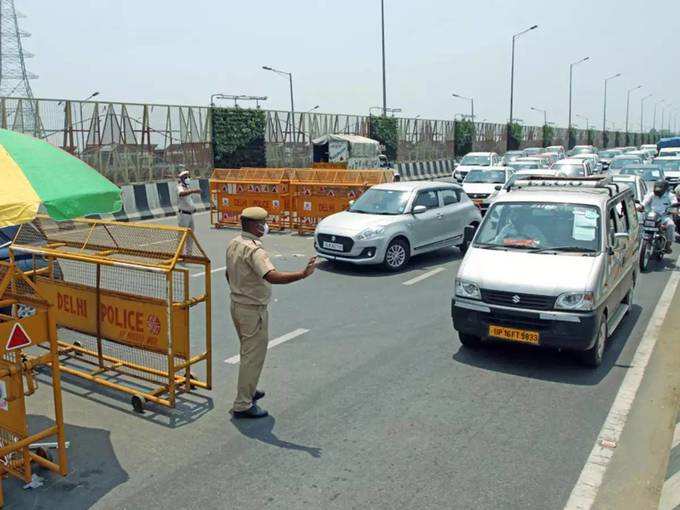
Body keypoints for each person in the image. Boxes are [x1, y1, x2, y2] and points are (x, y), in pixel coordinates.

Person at [226, 206, 317, 419]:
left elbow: (229, 275)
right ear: (257, 226)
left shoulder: (234, 243)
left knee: (248, 353)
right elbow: (271, 276)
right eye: (264, 222)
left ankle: (249, 388)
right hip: (252, 311)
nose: (266, 226)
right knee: (253, 356)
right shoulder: (255, 250)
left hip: (237, 305)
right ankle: (243, 403)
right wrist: (302, 274)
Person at [642, 180, 678, 253]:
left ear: (665, 189)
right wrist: (641, 206)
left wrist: (673, 209)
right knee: (641, 224)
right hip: (652, 216)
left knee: (671, 225)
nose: (657, 191)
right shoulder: (651, 194)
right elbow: (645, 202)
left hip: (664, 217)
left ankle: (668, 245)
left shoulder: (670, 195)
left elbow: (674, 203)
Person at [177, 169, 201, 255]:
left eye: (188, 177)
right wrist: (194, 191)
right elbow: (181, 194)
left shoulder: (188, 187)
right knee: (182, 236)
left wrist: (193, 208)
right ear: (182, 179)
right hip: (183, 216)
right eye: (186, 177)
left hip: (190, 215)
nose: (188, 178)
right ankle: (179, 254)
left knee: (190, 236)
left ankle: (189, 254)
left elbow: (188, 200)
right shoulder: (180, 187)